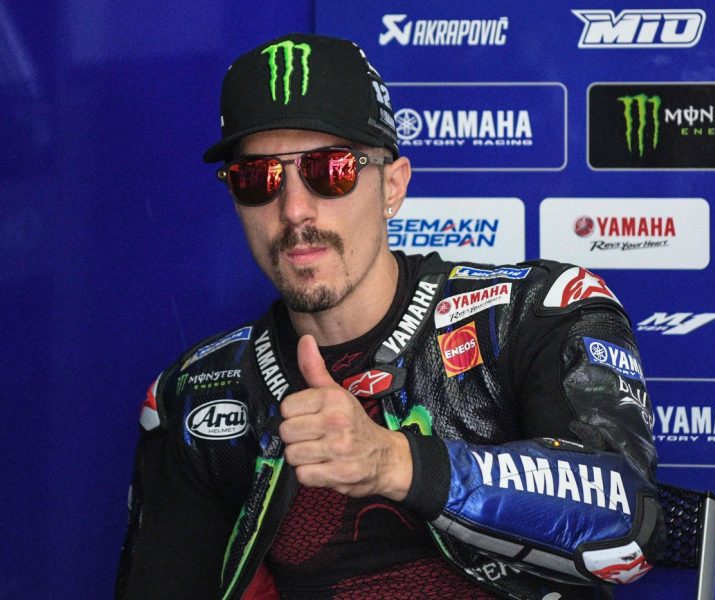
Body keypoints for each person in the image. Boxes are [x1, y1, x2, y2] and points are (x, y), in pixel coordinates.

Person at [116, 33, 664, 600]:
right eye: (258, 179)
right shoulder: (200, 393)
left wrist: (394, 462)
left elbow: (632, 528)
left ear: (393, 186)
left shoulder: (534, 311)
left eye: (330, 170)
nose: (295, 210)